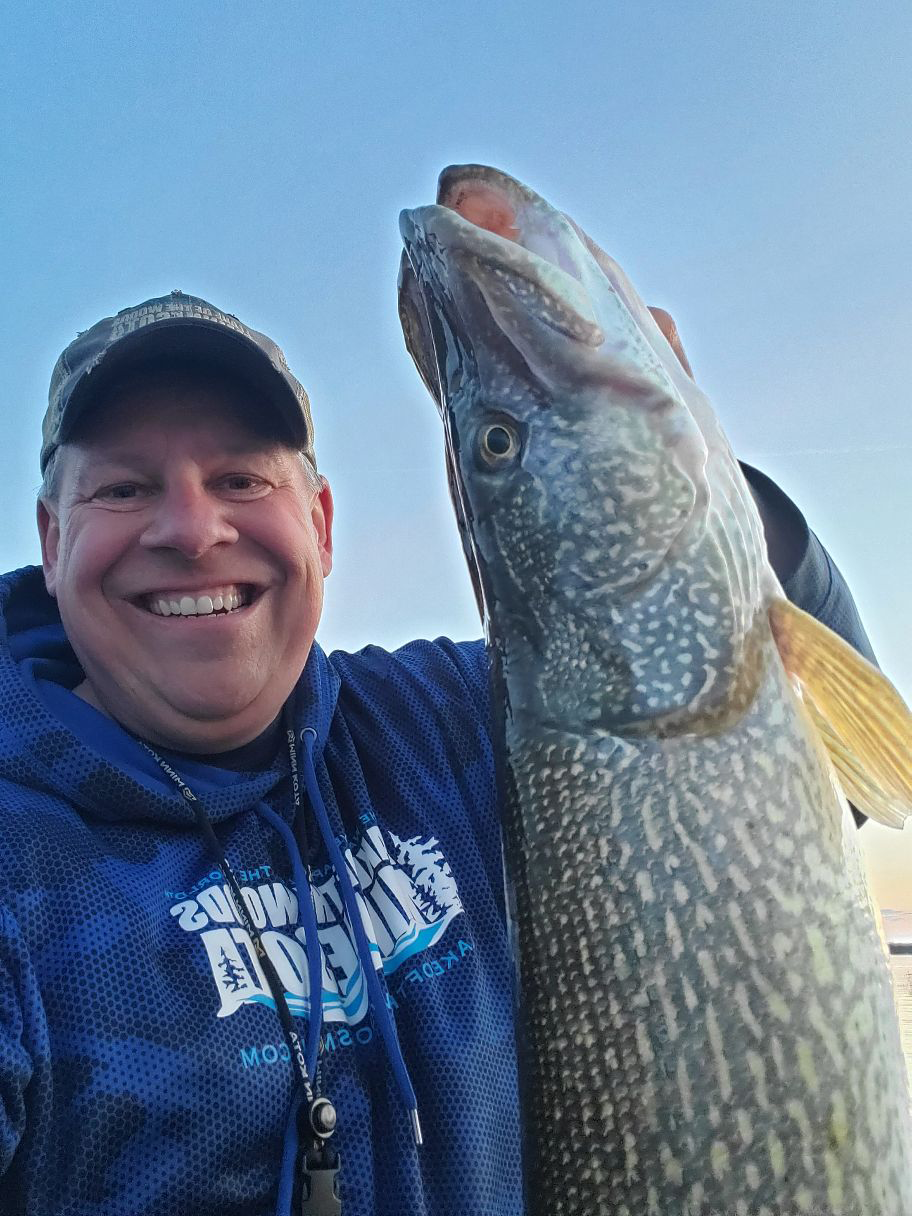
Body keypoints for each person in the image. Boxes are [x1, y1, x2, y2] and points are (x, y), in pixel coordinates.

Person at [0, 289, 875, 1215]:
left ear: (323, 526)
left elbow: (811, 770)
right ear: (54, 543)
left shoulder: (446, 719)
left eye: (242, 480)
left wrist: (687, 484)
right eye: (125, 488)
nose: (190, 529)